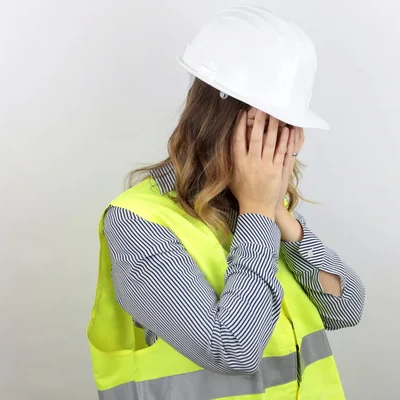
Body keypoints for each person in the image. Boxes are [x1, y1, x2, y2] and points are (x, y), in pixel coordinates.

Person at [87, 5, 365, 400]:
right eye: (262, 127)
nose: (278, 145)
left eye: (285, 127)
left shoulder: (258, 208)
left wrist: (278, 214)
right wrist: (256, 211)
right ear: (213, 118)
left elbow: (345, 307)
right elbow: (232, 349)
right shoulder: (138, 221)